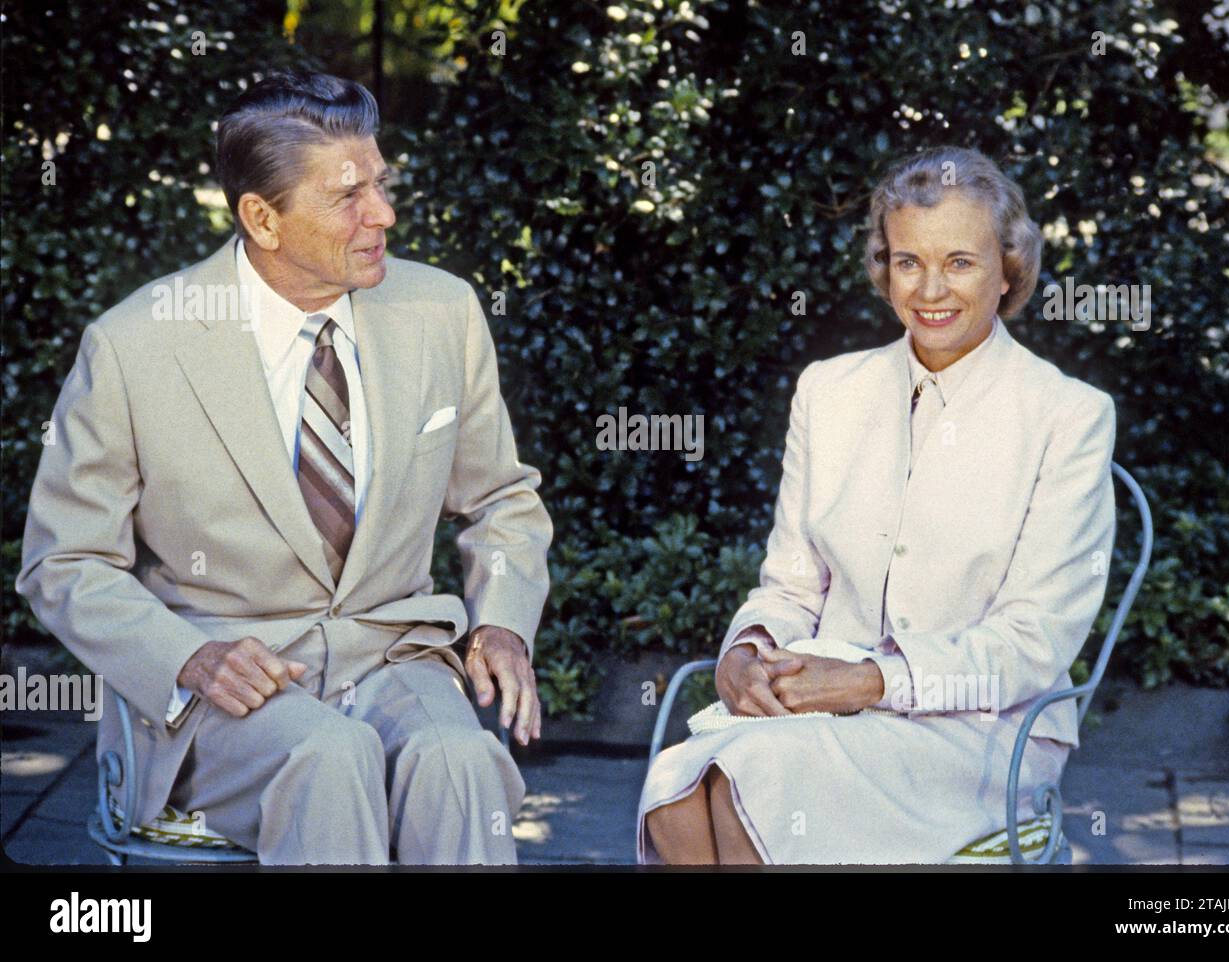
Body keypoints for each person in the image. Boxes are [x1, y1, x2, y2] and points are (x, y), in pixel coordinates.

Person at [16, 70, 553, 865]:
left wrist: (503, 618)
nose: (384, 214)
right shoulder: (135, 346)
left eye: (382, 182)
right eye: (348, 196)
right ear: (262, 218)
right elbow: (63, 561)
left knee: (464, 761)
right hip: (227, 689)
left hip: (394, 657)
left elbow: (501, 499)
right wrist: (187, 658)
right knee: (329, 758)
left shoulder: (441, 311)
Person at [638, 146, 1117, 864]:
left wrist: (871, 681)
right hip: (818, 710)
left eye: (960, 261)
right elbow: (792, 584)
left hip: (981, 731)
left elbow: (1032, 644)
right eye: (907, 261)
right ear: (883, 265)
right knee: (674, 795)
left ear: (1009, 267)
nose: (931, 289)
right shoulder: (830, 393)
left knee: (744, 784)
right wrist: (746, 651)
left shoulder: (1067, 415)